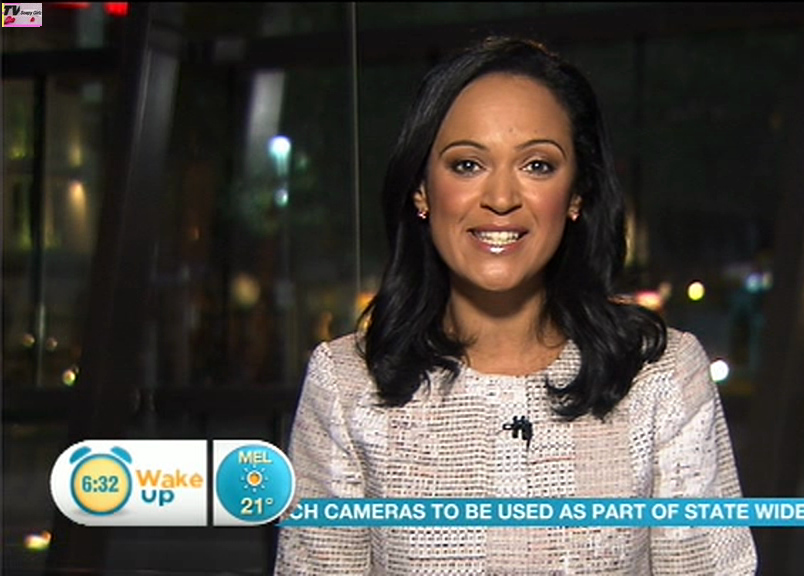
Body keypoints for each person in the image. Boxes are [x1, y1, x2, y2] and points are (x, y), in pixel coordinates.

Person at [275, 36, 757, 575]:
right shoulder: (346, 384)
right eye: (466, 165)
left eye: (537, 165)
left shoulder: (661, 377)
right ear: (421, 190)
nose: (501, 199)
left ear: (576, 194)